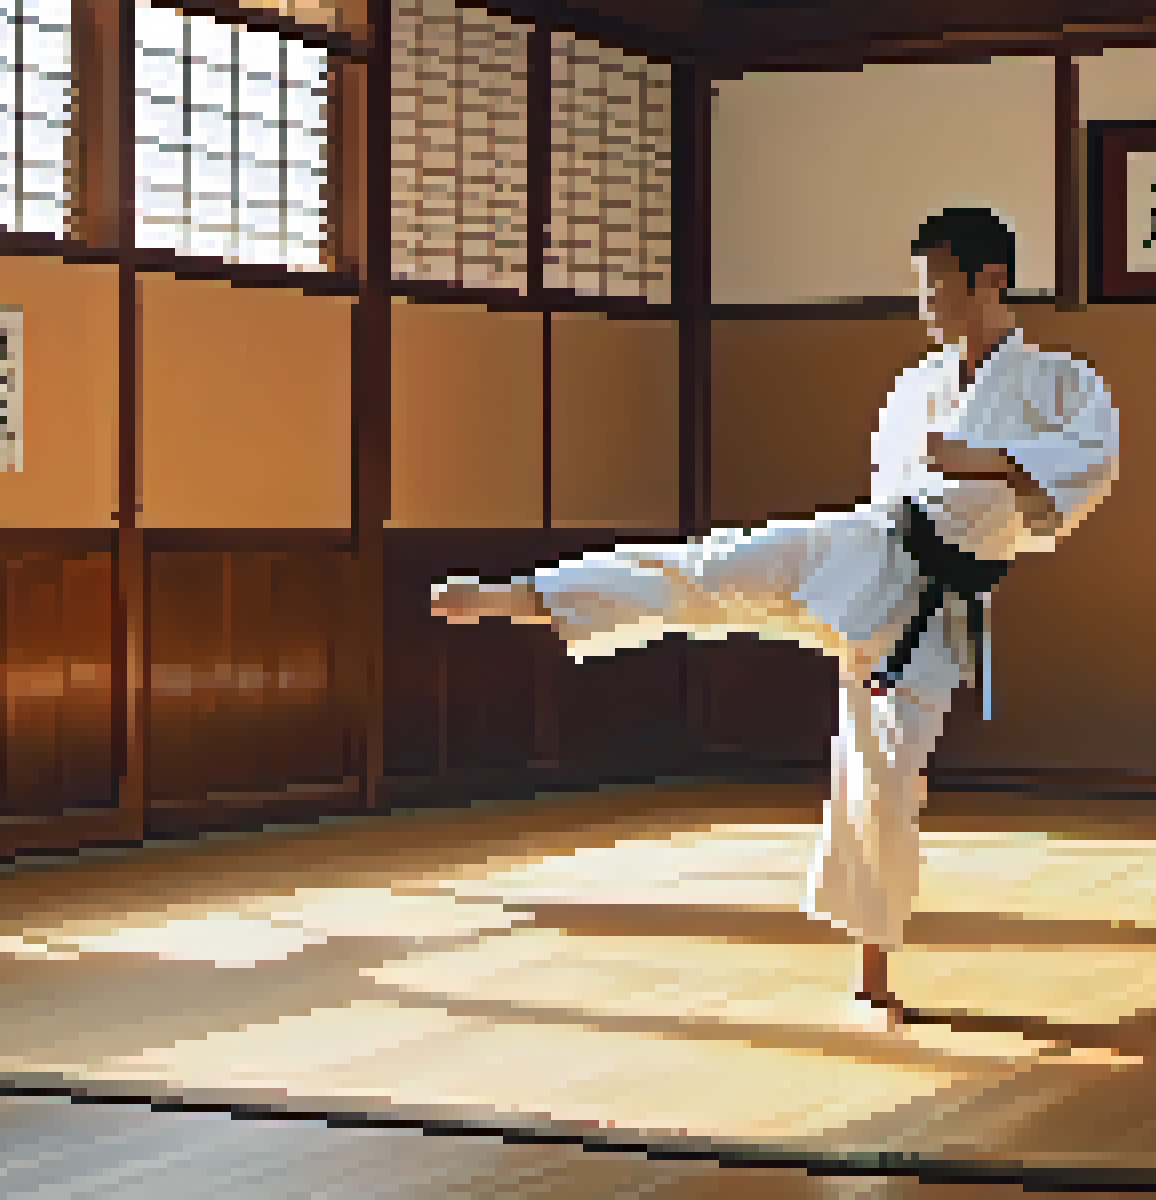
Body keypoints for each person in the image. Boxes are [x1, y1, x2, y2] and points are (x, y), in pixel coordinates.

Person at [429, 207, 1119, 1029]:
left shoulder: (1058, 381)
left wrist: (989, 460)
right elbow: (893, 487)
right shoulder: (919, 381)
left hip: (937, 611)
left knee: (884, 778)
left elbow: (1093, 465)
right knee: (709, 570)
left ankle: (874, 974)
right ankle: (525, 597)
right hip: (866, 553)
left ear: (989, 279)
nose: (927, 299)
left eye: (938, 280)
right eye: (922, 281)